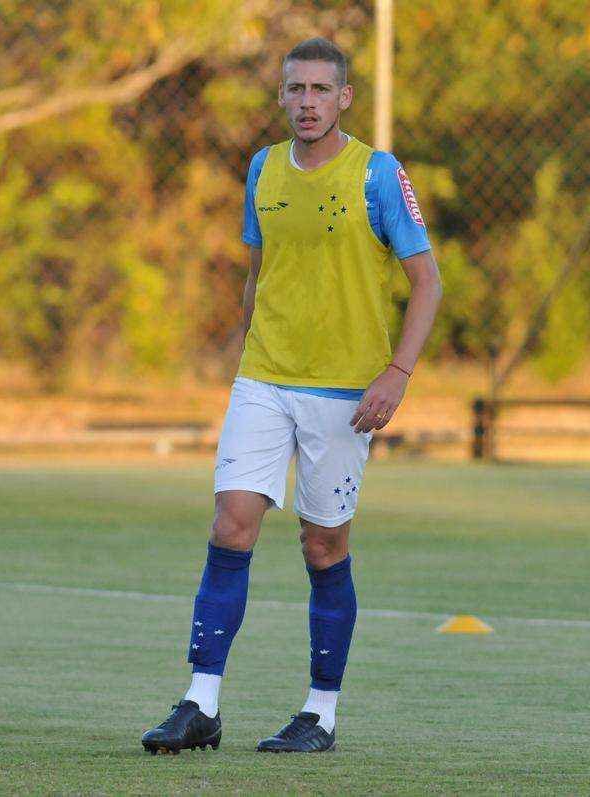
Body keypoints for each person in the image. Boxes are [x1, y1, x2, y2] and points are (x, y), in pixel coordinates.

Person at [141, 36, 442, 755]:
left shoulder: (377, 173)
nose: (306, 102)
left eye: (319, 90)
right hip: (266, 378)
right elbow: (260, 270)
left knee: (323, 542)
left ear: (343, 98)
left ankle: (320, 712)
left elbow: (427, 280)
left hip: (345, 392)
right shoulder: (262, 169)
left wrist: (395, 374)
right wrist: (247, 355)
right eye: (294, 89)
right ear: (280, 97)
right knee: (232, 522)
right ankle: (200, 702)